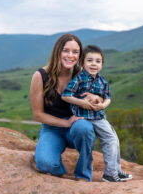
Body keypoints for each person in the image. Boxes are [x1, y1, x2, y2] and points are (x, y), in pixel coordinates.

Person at [30, 34, 96, 182]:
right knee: (45, 163)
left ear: (80, 55)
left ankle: (83, 176)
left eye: (75, 52)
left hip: (77, 125)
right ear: (57, 51)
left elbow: (100, 94)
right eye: (66, 50)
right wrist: (65, 123)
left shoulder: (81, 74)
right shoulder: (40, 76)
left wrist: (96, 98)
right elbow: (38, 114)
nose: (70, 56)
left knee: (84, 128)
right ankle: (59, 170)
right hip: (52, 128)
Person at [61, 45, 133, 182]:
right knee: (106, 139)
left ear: (102, 64)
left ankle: (115, 171)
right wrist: (81, 102)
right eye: (90, 60)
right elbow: (65, 96)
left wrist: (102, 105)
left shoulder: (102, 81)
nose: (94, 64)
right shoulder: (78, 79)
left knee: (113, 139)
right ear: (82, 63)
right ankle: (110, 174)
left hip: (98, 117)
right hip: (83, 117)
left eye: (98, 61)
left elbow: (108, 98)